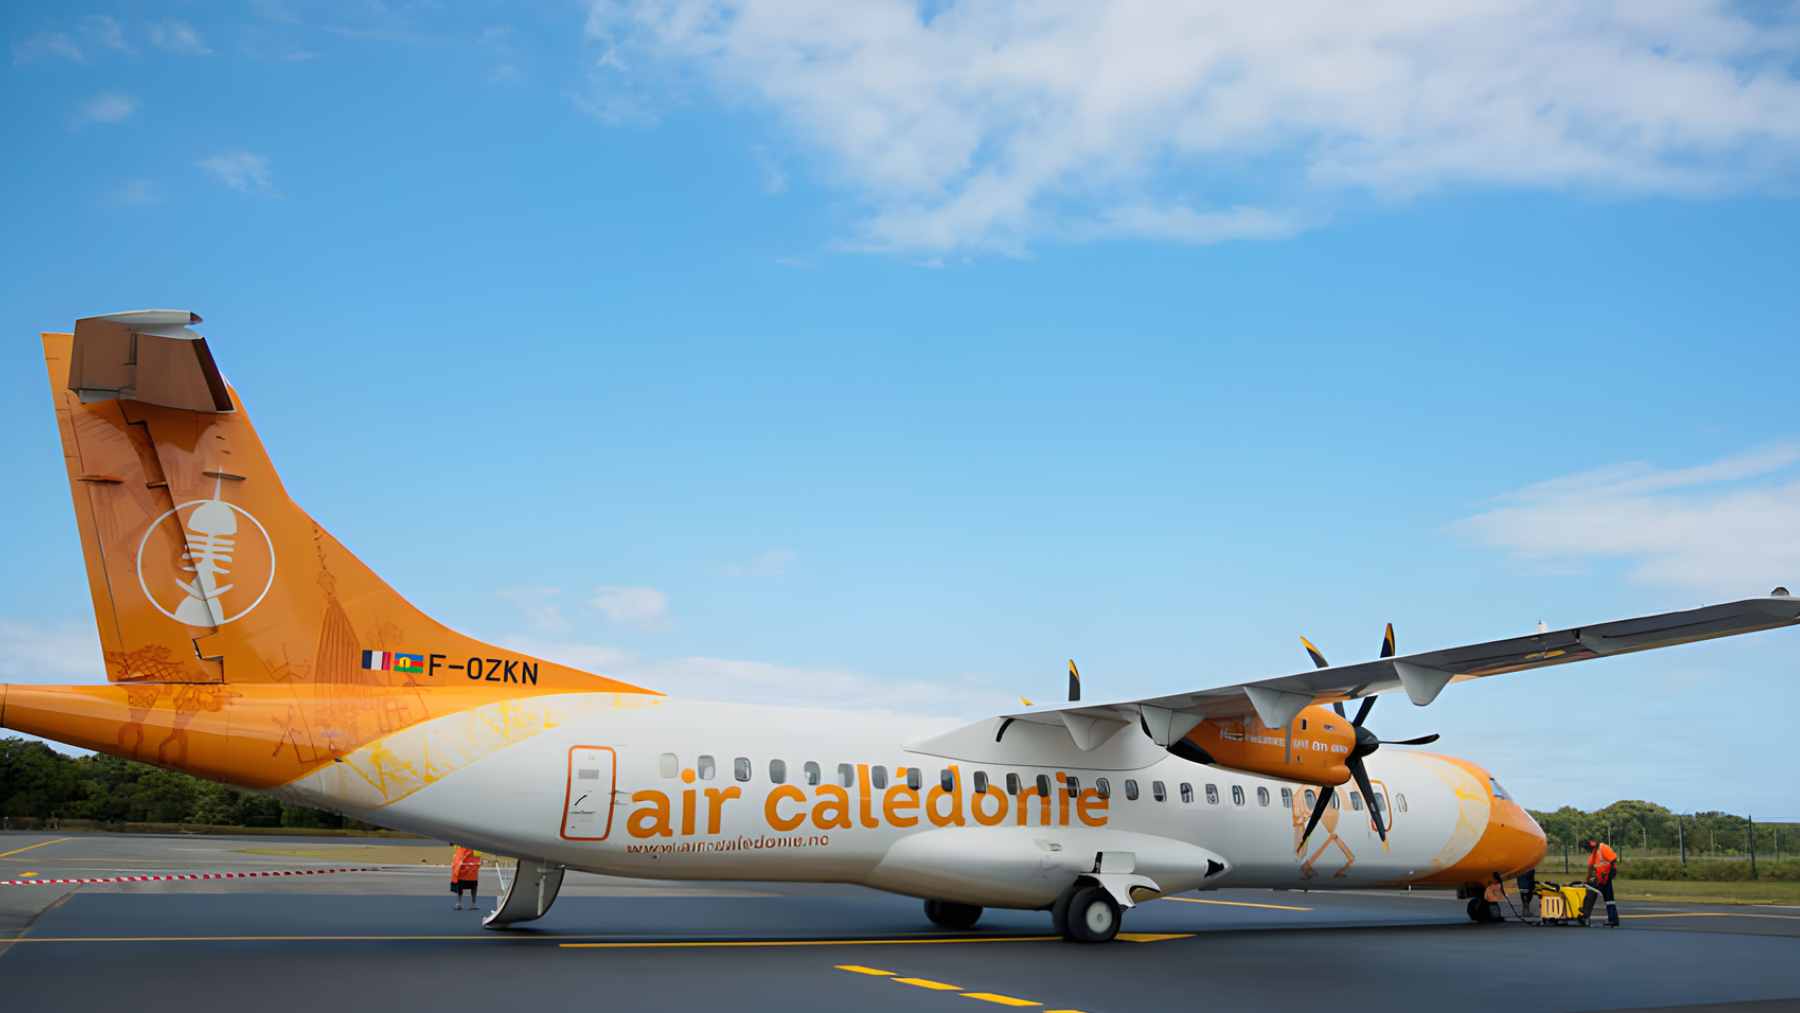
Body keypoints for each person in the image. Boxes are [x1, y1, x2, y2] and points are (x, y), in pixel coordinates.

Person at [1582, 838, 1620, 927]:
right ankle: (1585, 914)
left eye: (1589, 848)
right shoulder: (1593, 854)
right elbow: (1590, 868)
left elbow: (1613, 859)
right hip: (1599, 879)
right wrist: (1587, 880)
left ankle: (1613, 919)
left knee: (1609, 900)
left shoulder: (1603, 848)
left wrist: (1612, 871)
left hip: (1606, 877)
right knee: (1591, 893)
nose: (1589, 850)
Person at [450, 845, 482, 911]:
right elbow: (452, 844)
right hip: (463, 865)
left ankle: (473, 904)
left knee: (473, 885)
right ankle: (459, 903)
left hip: (473, 866)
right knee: (460, 885)